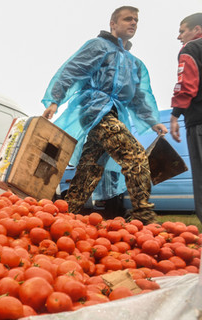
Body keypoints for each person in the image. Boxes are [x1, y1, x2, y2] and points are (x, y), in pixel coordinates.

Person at [41, 6, 168, 225]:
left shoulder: (133, 63)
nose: (133, 23)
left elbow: (138, 96)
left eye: (136, 20)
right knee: (134, 155)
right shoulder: (99, 46)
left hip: (114, 114)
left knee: (90, 168)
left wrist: (153, 121)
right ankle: (143, 215)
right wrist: (55, 100)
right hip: (94, 110)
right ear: (113, 24)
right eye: (128, 19)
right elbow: (72, 70)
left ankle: (64, 215)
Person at [170, 13, 202, 223]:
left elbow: (186, 86)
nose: (179, 36)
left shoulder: (191, 49)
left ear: (197, 30)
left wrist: (174, 115)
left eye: (182, 31)